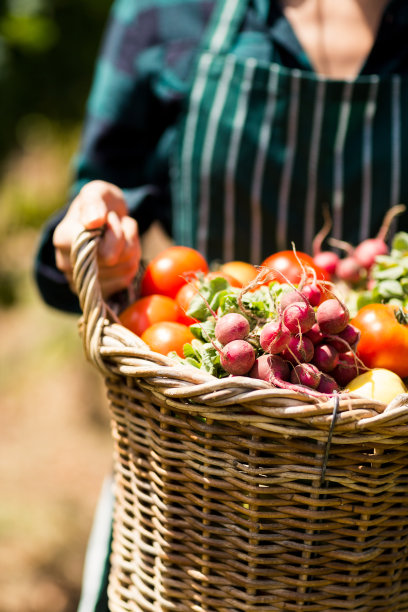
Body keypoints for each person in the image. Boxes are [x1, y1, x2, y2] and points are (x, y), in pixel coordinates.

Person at [34, 0, 408, 609]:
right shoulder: (169, 10)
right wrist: (96, 240)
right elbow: (92, 205)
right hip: (192, 498)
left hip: (378, 515)